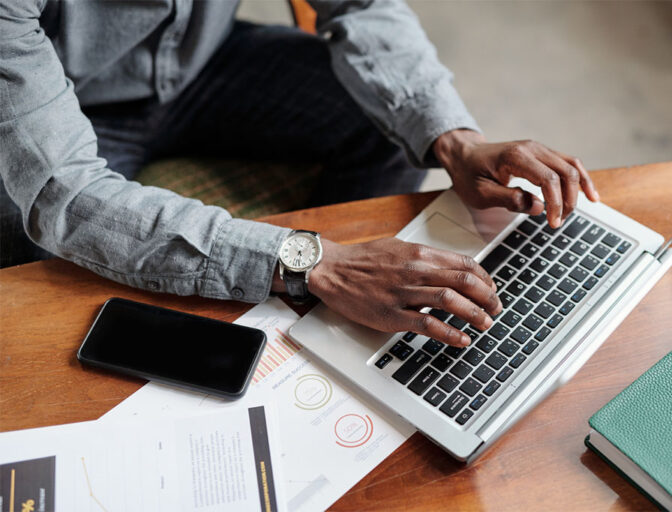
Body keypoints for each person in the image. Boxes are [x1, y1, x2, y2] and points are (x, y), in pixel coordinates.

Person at [0, 0, 599, 348]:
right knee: (42, 266)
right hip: (64, 105)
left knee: (381, 122)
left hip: (203, 64)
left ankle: (332, 322)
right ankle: (327, 285)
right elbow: (66, 193)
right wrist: (305, 262)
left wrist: (456, 141)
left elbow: (359, 5)